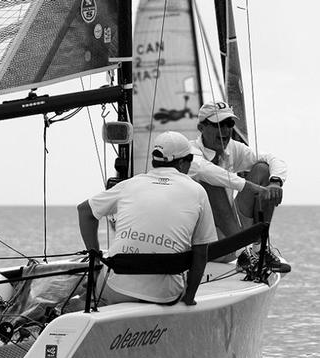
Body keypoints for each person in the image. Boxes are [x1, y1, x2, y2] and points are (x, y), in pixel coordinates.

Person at [77, 131, 217, 306]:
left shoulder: (130, 184)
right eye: (190, 159)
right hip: (164, 295)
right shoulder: (197, 191)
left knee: (85, 293)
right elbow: (201, 252)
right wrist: (189, 298)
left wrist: (96, 259)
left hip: (115, 287)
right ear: (182, 162)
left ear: (154, 160)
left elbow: (84, 211)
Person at [188, 101, 290, 272]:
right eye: (219, 124)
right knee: (211, 182)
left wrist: (275, 182)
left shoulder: (232, 148)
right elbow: (205, 171)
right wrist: (249, 186)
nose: (226, 130)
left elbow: (273, 158)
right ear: (201, 127)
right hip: (202, 245)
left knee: (262, 168)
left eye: (229, 124)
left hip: (231, 239)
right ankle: (243, 252)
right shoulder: (189, 151)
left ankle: (260, 250)